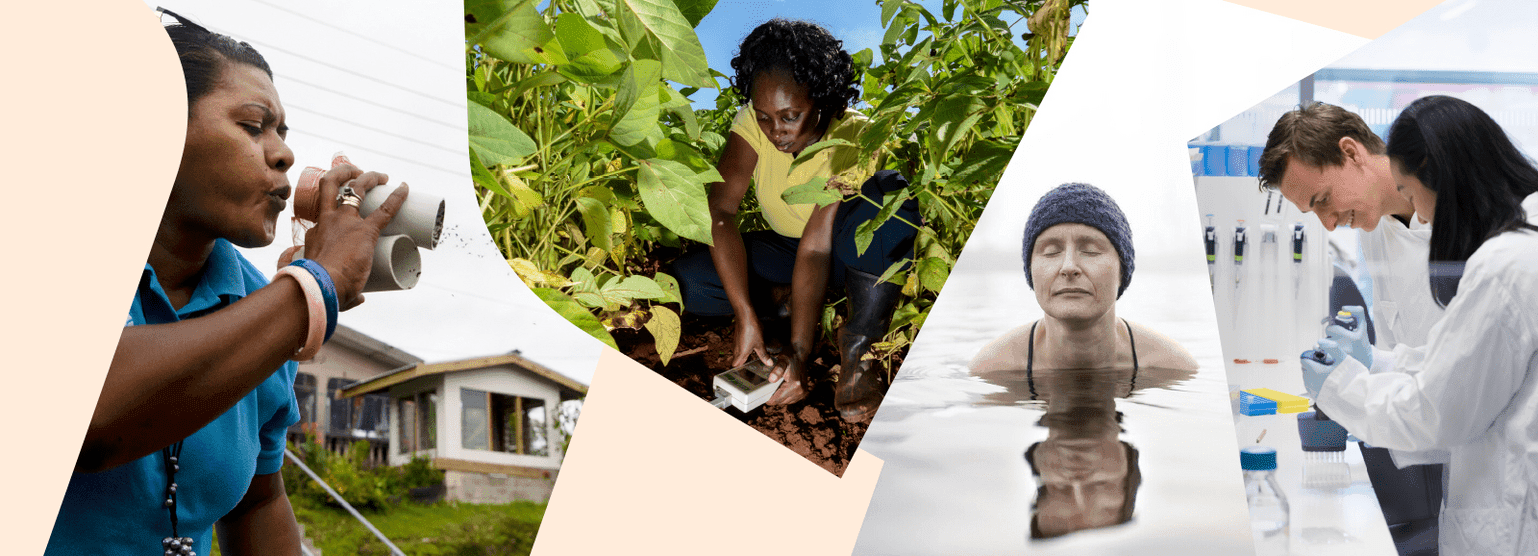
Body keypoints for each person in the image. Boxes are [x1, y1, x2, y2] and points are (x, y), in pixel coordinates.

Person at [47, 12, 407, 555]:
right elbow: (88, 418)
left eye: (283, 133)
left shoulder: (261, 300)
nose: (284, 153)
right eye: (252, 125)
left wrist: (297, 296)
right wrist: (315, 286)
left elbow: (257, 501)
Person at [1302, 95, 1538, 556]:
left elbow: (1438, 413)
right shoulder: (1521, 238)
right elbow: (1463, 363)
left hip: (1512, 516)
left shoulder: (1503, 265)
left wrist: (1341, 387)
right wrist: (1378, 360)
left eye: (1409, 192)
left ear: (1441, 171)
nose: (1422, 214)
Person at [673, 19, 918, 421]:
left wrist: (800, 353)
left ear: (822, 101)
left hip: (843, 256)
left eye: (790, 116)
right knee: (691, 282)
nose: (775, 131)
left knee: (890, 191)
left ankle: (858, 344)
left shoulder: (855, 133)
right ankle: (789, 305)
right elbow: (720, 211)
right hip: (786, 250)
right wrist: (743, 313)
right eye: (765, 117)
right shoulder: (753, 123)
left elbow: (817, 248)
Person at [971, 183, 1196, 374]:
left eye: (1090, 250)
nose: (1069, 267)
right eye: (1051, 251)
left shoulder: (1172, 369)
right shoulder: (993, 370)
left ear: (1122, 269)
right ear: (1030, 271)